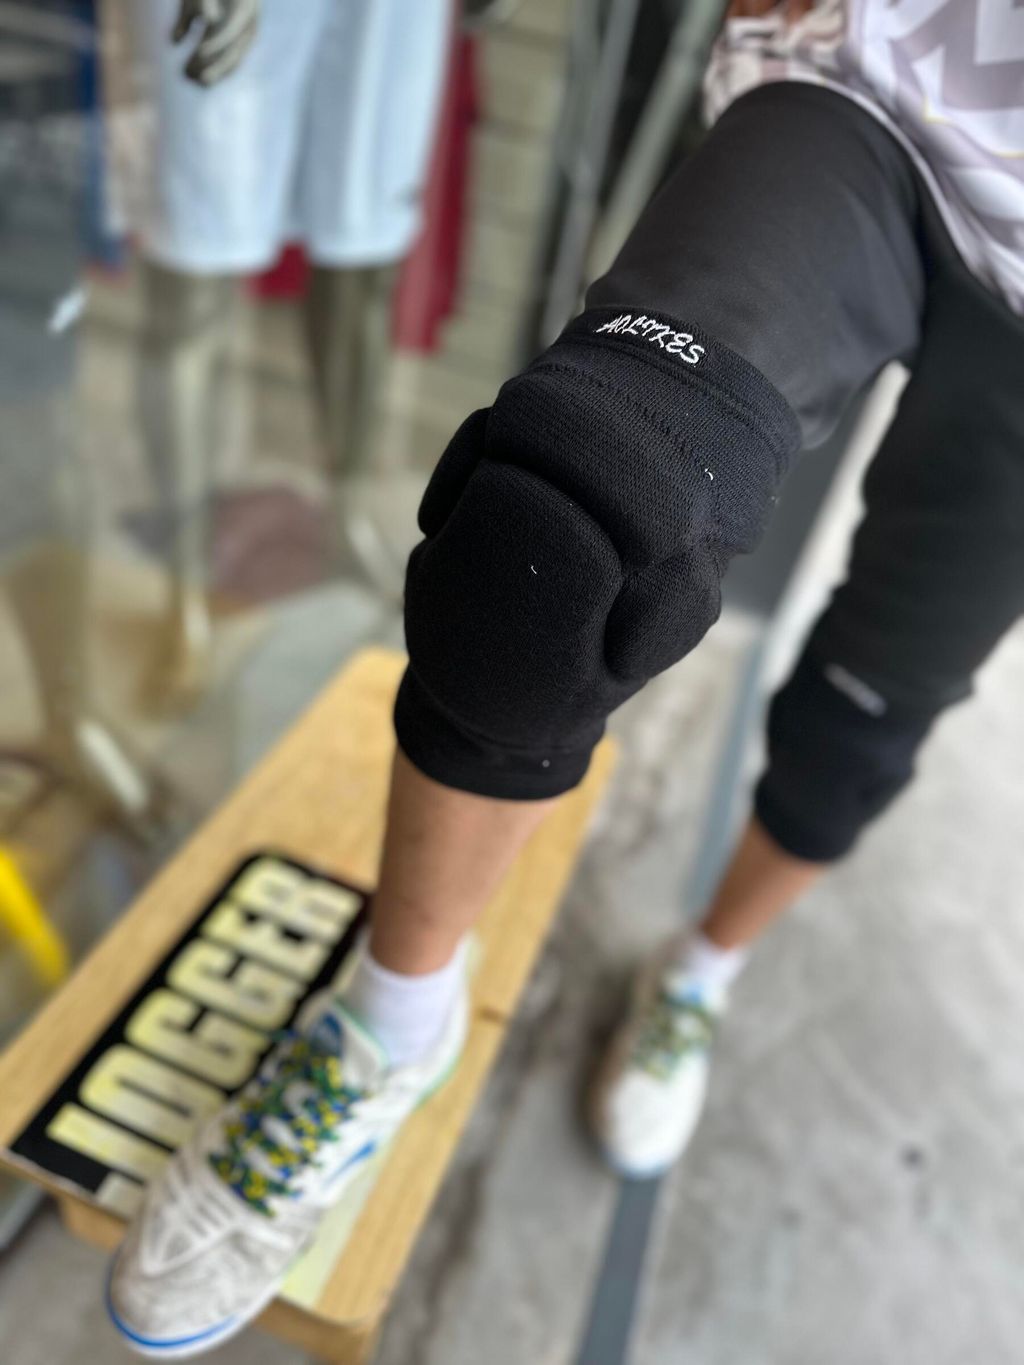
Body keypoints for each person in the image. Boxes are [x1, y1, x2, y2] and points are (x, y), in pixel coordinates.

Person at [107, 0, 1024, 1354]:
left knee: (880, 692)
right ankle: (390, 1027)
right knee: (565, 525)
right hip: (890, 79)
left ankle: (698, 975)